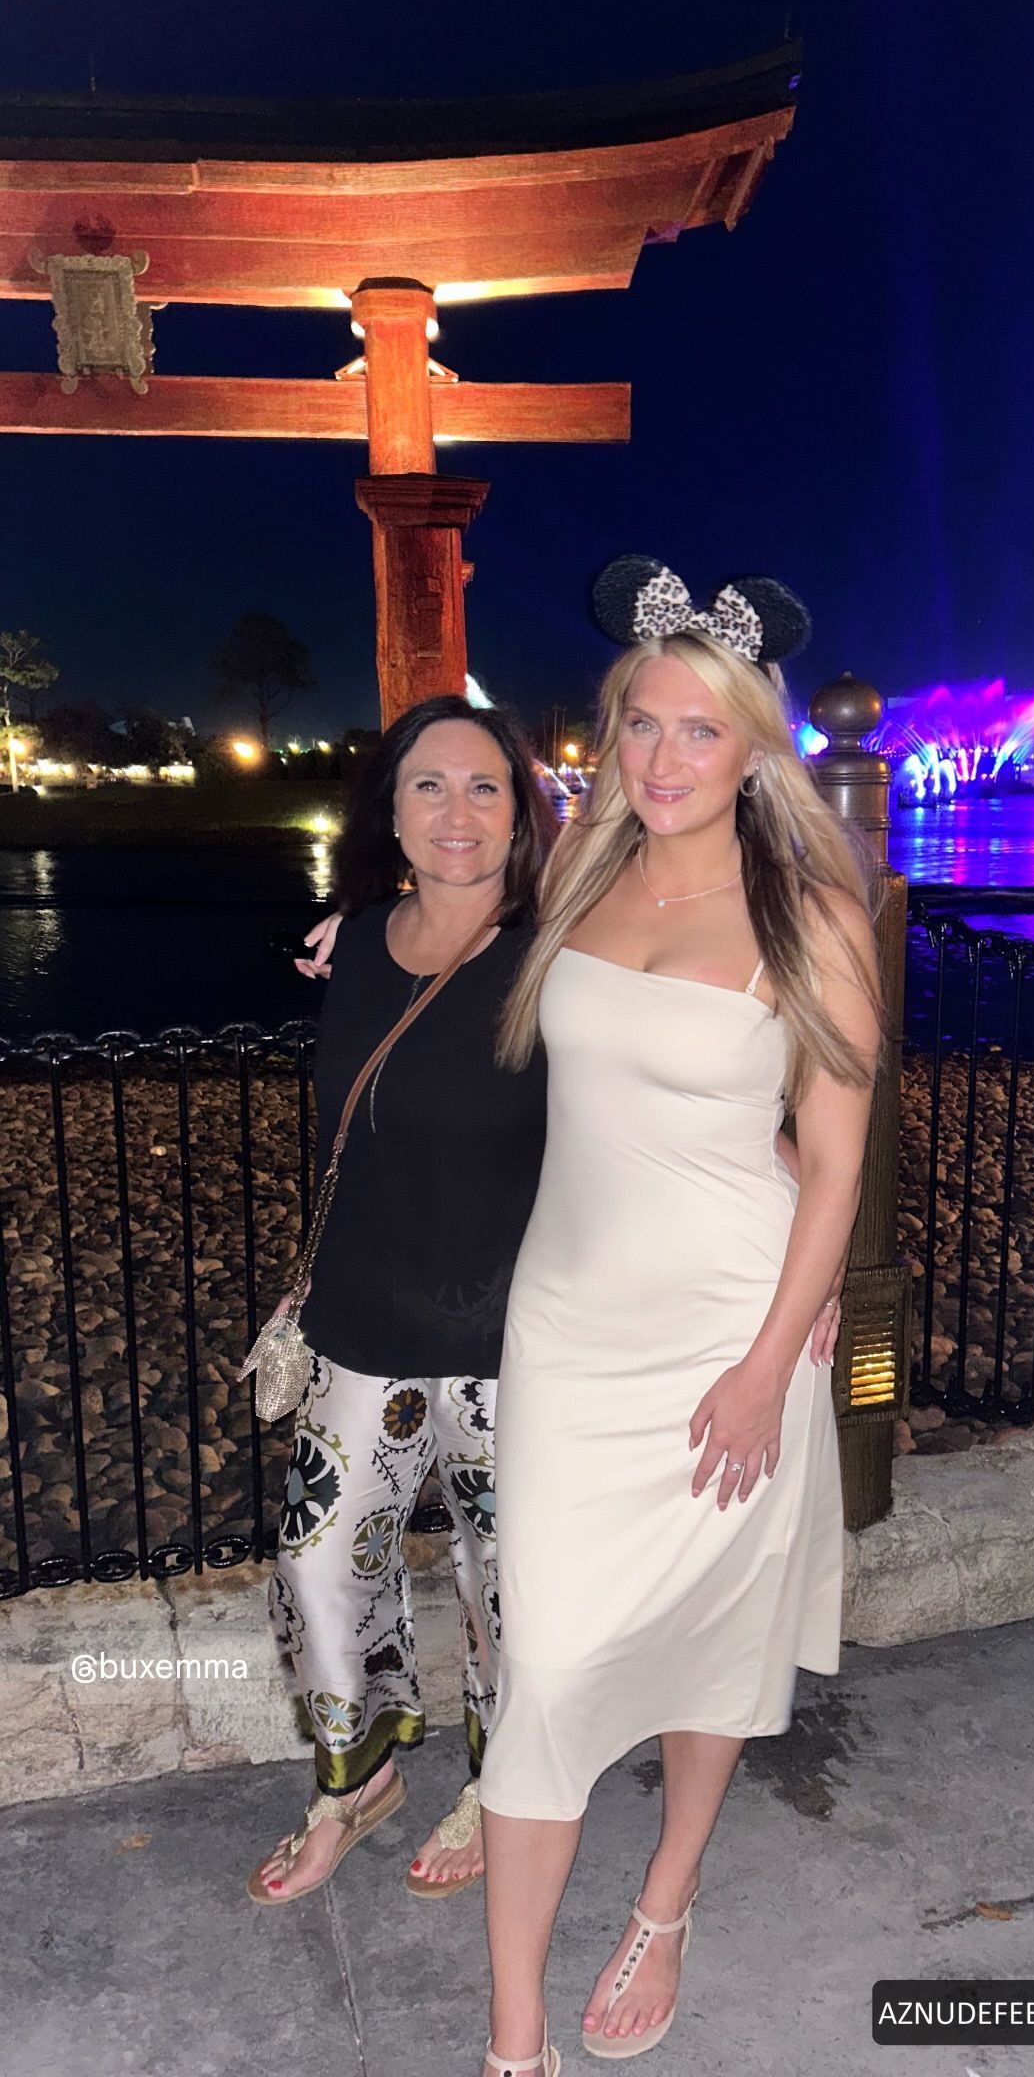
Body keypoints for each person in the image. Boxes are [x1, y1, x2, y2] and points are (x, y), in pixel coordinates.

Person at [475, 559, 882, 2076]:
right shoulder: (578, 879)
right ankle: (514, 2041)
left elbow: (833, 1158)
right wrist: (346, 935)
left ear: (753, 750)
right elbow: (449, 923)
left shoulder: (811, 915)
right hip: (567, 1332)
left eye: (699, 730)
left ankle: (666, 1898)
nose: (661, 756)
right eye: (641, 723)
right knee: (549, 1667)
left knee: (713, 1635)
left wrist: (774, 1354)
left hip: (729, 1332)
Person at [247, 694, 557, 1907]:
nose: (457, 810)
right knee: (319, 1562)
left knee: (504, 1582)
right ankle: (356, 1778)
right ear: (391, 807)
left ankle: (500, 1780)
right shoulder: (360, 942)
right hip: (363, 1318)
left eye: (485, 785)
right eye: (429, 784)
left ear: (522, 810)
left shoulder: (564, 953)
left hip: (510, 1335)